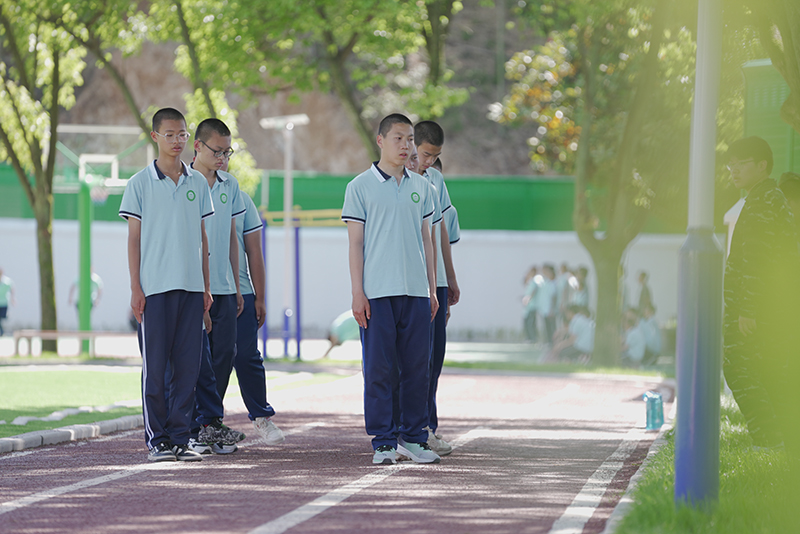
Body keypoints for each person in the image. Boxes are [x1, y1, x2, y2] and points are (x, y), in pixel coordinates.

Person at [342, 113, 441, 465]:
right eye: (398, 138)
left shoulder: (423, 188)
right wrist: (358, 292)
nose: (405, 145)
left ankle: (413, 438)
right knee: (379, 370)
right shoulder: (359, 187)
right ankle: (383, 441)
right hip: (377, 293)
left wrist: (431, 289)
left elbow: (427, 241)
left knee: (417, 368)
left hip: (416, 292)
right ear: (381, 141)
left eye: (410, 139)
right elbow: (355, 244)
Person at [119, 107, 213, 462]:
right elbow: (133, 240)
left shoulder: (197, 183)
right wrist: (135, 287)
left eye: (182, 134)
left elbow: (202, 238)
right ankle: (157, 440)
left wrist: (205, 288)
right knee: (155, 369)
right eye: (170, 134)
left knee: (188, 369)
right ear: (155, 136)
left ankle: (180, 438)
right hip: (155, 289)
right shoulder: (139, 184)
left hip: (192, 289)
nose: (177, 141)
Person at [724, 137, 800, 450]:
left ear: (761, 166)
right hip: (772, 307)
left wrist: (748, 308)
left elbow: (758, 259)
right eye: (731, 165)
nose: (734, 171)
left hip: (758, 309)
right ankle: (781, 442)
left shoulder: (763, 203)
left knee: (738, 366)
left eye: (741, 164)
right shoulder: (766, 198)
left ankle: (769, 440)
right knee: (769, 372)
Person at [186, 118, 248, 455]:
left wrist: (237, 285)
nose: (223, 158)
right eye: (217, 151)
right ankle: (193, 428)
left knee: (224, 356)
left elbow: (233, 239)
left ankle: (210, 426)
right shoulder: (184, 182)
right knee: (196, 360)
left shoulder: (230, 185)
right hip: (192, 286)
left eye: (228, 152)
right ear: (198, 146)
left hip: (224, 288)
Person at [415, 120, 460, 456]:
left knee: (433, 358)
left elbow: (441, 230)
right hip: (410, 282)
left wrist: (450, 278)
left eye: (435, 156)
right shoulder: (395, 181)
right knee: (411, 359)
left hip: (438, 281)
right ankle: (405, 427)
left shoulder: (435, 179)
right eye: (426, 154)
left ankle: (428, 427)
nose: (429, 161)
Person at [232, 189, 285, 445]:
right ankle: (203, 423)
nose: (222, 167)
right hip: (200, 292)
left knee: (247, 356)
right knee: (205, 362)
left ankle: (261, 416)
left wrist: (259, 297)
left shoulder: (241, 199)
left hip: (241, 292)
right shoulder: (191, 191)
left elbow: (254, 251)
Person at [534, 264, 557, 344]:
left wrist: (552, 309)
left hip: (549, 309)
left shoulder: (553, 283)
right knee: (546, 327)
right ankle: (548, 341)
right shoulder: (545, 282)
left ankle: (552, 342)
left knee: (551, 327)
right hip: (544, 309)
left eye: (546, 271)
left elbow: (554, 297)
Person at [522, 266, 539, 342]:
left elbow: (533, 292)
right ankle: (528, 337)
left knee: (531, 323)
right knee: (526, 322)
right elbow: (524, 283)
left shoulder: (535, 281)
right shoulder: (529, 281)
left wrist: (528, 299)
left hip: (532, 306)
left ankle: (533, 338)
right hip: (527, 307)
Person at [0, 269, 14, 337]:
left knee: (3, 317)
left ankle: (7, 314)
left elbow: (12, 288)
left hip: (4, 302)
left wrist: (12, 298)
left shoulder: (7, 281)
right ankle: (2, 332)